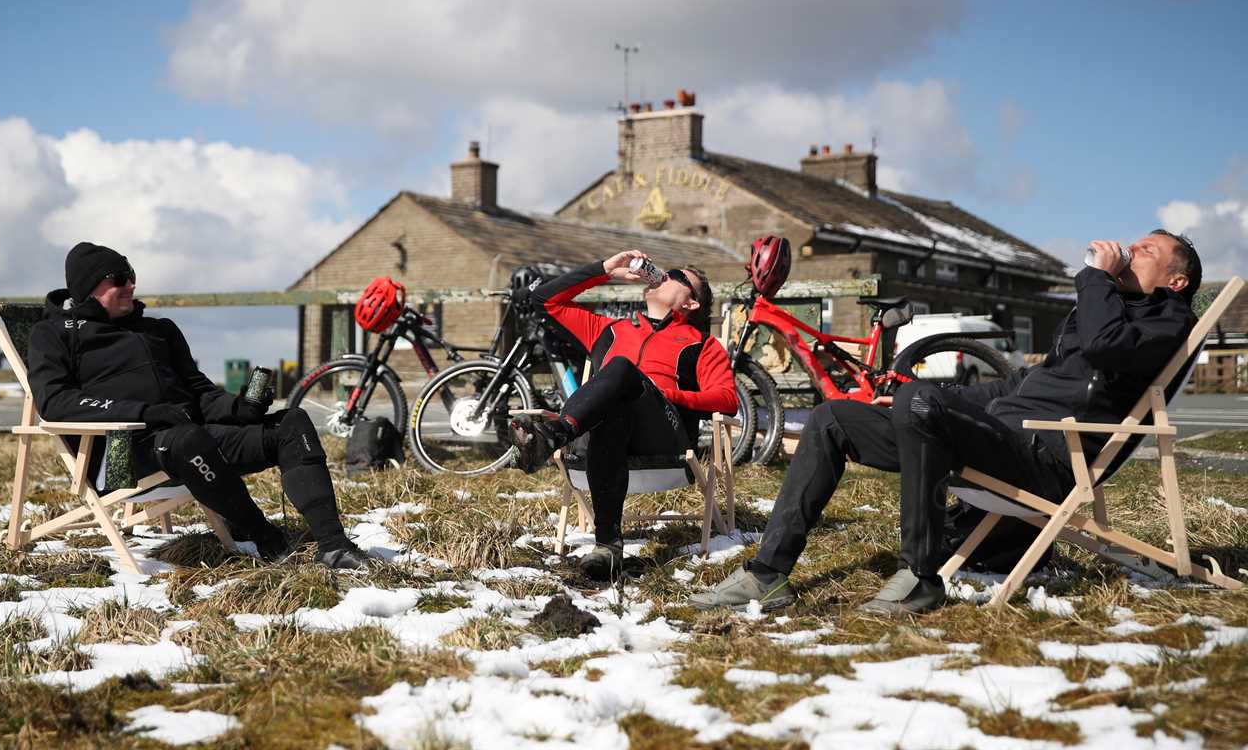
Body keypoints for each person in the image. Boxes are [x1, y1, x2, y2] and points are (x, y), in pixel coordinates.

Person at [691, 230, 1201, 615]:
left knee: (919, 400)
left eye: (1148, 250)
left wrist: (1095, 279)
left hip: (1046, 459)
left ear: (1176, 280)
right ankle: (767, 574)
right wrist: (938, 396)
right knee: (831, 417)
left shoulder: (1167, 321)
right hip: (997, 439)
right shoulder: (1101, 311)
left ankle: (920, 576)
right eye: (1132, 245)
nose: (1132, 251)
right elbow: (1019, 388)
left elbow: (1105, 344)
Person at [28, 242, 376, 570]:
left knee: (291, 424)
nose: (131, 284)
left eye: (132, 274)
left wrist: (240, 409)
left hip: (188, 436)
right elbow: (55, 402)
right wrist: (144, 413)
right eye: (119, 279)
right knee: (187, 440)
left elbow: (200, 393)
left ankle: (334, 545)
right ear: (90, 287)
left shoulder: (158, 330)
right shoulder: (55, 333)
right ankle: (267, 539)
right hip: (116, 452)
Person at [508, 250, 738, 580]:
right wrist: (605, 270)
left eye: (676, 273)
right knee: (613, 407)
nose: (663, 273)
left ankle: (554, 436)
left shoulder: (702, 344)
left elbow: (728, 399)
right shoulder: (611, 330)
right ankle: (608, 548)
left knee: (621, 370)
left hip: (663, 440)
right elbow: (544, 299)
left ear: (691, 304)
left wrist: (665, 393)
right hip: (601, 437)